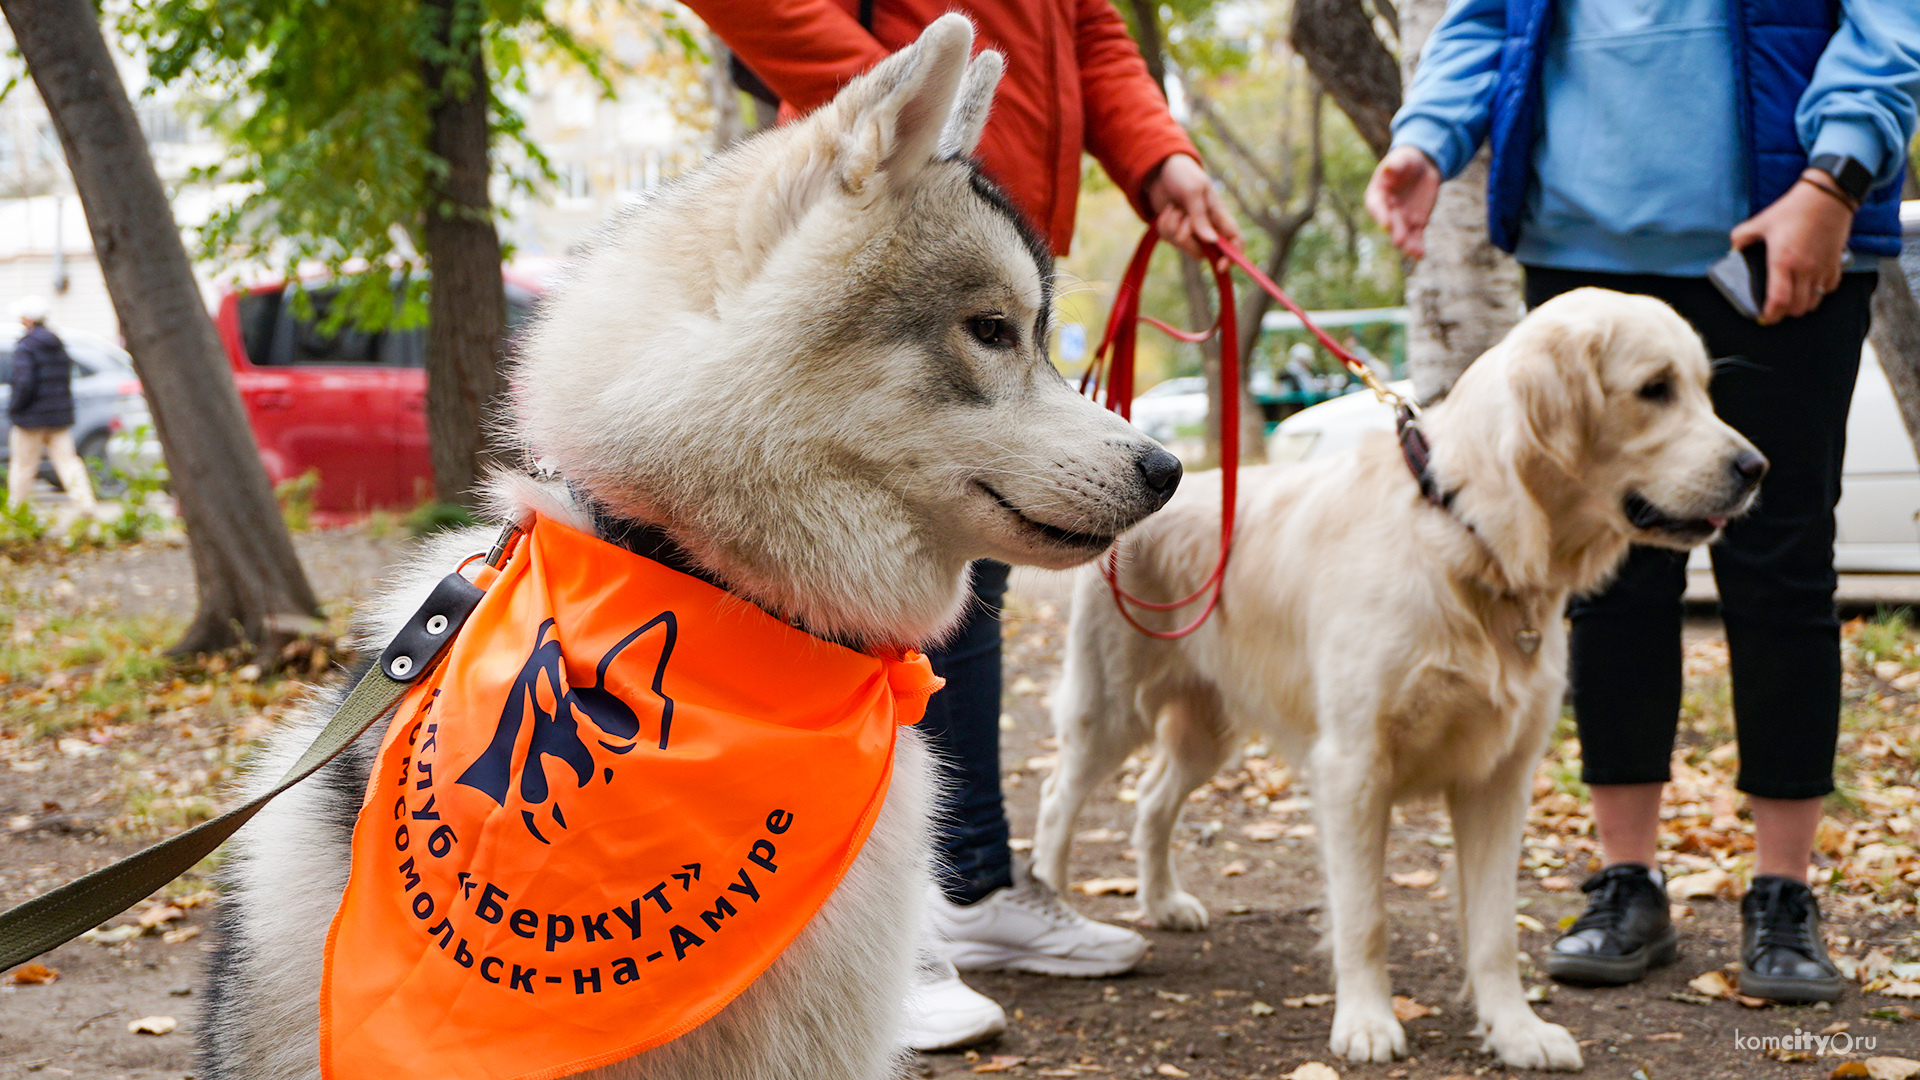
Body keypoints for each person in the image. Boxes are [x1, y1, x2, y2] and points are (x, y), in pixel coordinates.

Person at [683, 0, 1241, 1050]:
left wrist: (1158, 155)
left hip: (981, 218)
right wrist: (901, 114)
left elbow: (1091, 33)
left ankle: (958, 886)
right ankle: (837, 909)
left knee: (962, 576)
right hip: (876, 204)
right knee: (803, 593)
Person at [1367, 0, 1919, 1004]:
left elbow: (1889, 19)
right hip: (1584, 251)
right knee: (1603, 580)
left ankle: (1784, 894)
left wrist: (1835, 175)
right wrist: (1426, 138)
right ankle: (1628, 880)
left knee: (1783, 565)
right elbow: (1487, 16)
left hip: (1785, 226)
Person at [7, 295, 96, 514]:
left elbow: (24, 383)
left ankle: (17, 512)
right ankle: (86, 506)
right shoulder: (57, 345)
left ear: (27, 319)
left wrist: (14, 408)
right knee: (68, 463)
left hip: (30, 420)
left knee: (24, 467)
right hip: (58, 419)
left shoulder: (25, 347)